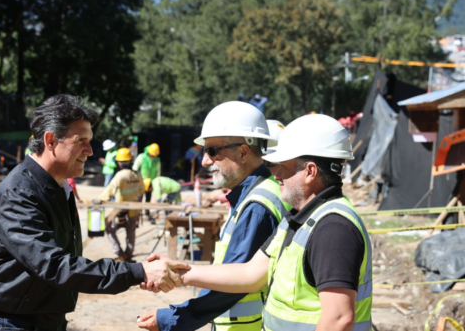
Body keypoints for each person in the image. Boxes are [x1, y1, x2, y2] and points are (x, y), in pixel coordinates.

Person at [0, 94, 189, 331]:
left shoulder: (57, 187)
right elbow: (54, 265)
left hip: (43, 316)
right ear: (51, 140)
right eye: (81, 140)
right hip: (12, 322)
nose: (89, 150)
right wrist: (137, 272)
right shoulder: (19, 194)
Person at [144, 114, 373, 331]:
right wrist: (178, 271)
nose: (276, 175)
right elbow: (250, 274)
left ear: (310, 171)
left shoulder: (333, 228)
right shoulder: (300, 219)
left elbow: (339, 318)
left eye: (282, 166)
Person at [137, 101, 293, 331]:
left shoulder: (258, 205)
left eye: (212, 151)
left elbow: (238, 282)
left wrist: (173, 318)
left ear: (243, 152)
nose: (205, 161)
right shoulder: (258, 193)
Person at [98, 147, 145, 262]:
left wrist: (99, 200)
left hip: (120, 212)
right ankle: (128, 255)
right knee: (131, 233)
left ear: (119, 163)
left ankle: (119, 253)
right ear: (130, 161)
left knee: (109, 229)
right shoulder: (137, 175)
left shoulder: (120, 175)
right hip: (134, 211)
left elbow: (109, 191)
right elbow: (141, 192)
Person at [133, 143, 161, 222]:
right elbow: (135, 168)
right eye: (152, 154)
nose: (153, 156)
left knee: (148, 198)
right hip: (141, 182)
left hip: (151, 182)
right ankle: (137, 214)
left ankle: (147, 212)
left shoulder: (157, 160)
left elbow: (158, 172)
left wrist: (156, 183)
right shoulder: (142, 157)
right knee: (139, 198)